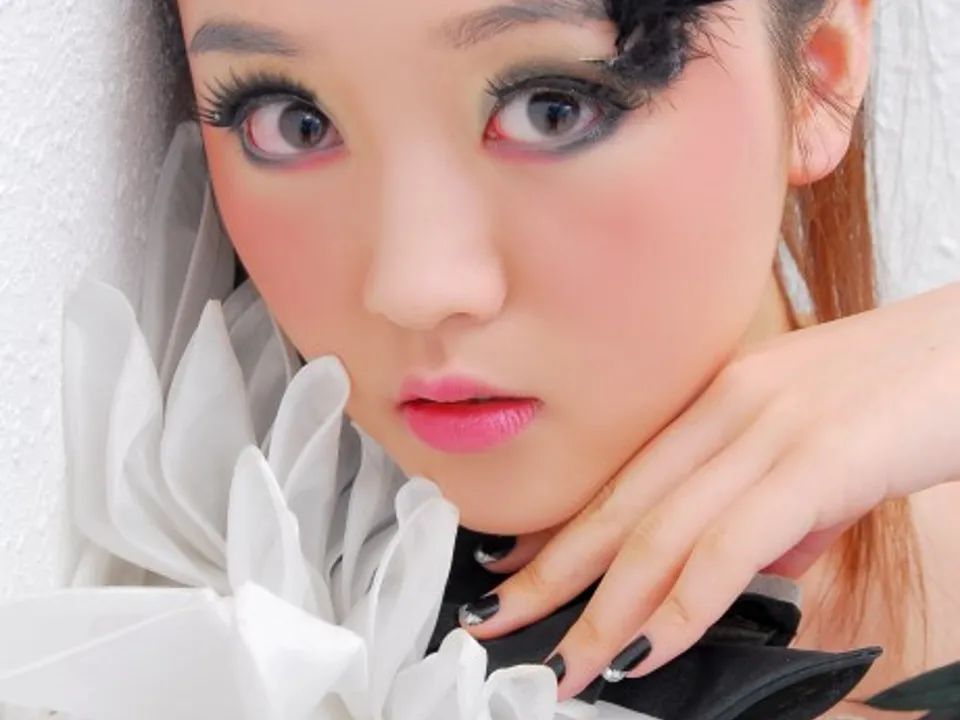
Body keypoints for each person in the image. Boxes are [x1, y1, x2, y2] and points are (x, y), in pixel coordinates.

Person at [0, 0, 957, 718]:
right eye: (292, 120)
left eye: (553, 107)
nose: (414, 286)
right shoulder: (230, 628)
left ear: (820, 73)